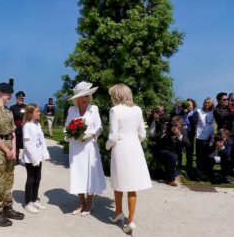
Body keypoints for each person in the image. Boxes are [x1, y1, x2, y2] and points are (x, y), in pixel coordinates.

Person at [106, 84, 152, 235]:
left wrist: (107, 145)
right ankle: (130, 220)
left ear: (117, 95)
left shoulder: (115, 110)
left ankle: (118, 212)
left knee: (118, 183)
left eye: (112, 95)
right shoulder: (137, 109)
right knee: (132, 186)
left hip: (121, 148)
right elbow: (143, 134)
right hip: (135, 149)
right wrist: (133, 139)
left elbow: (113, 136)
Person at [0, 82, 24, 227]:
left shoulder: (8, 112)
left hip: (9, 149)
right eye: (9, 93)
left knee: (8, 180)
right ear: (1, 93)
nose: (11, 96)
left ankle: (7, 208)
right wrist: (7, 150)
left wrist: (13, 150)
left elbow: (13, 133)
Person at [64, 81, 106, 216]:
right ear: (77, 98)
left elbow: (99, 127)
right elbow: (66, 127)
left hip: (89, 147)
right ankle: (81, 202)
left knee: (89, 174)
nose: (86, 99)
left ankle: (90, 202)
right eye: (83, 96)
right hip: (76, 147)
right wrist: (71, 135)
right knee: (78, 174)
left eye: (87, 96)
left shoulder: (94, 109)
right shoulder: (71, 110)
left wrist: (91, 134)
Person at [22, 103, 50, 214]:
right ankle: (28, 203)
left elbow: (42, 140)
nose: (39, 113)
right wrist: (33, 158)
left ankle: (34, 199)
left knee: (38, 179)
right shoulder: (27, 126)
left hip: (38, 157)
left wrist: (45, 152)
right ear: (30, 114)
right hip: (30, 159)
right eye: (37, 111)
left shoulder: (37, 125)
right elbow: (27, 144)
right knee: (31, 179)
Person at [153, 116, 190, 186]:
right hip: (163, 151)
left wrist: (179, 135)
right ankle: (170, 180)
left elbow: (188, 144)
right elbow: (155, 138)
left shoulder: (183, 131)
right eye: (173, 124)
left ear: (180, 125)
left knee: (175, 171)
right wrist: (163, 129)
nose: (174, 126)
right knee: (173, 156)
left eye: (176, 125)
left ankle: (167, 175)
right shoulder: (166, 129)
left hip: (175, 153)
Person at [194, 97, 215, 179]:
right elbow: (194, 120)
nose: (207, 104)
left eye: (209, 102)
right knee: (199, 155)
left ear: (212, 104)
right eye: (205, 102)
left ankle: (207, 170)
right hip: (200, 136)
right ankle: (199, 170)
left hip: (209, 137)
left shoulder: (213, 112)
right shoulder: (199, 111)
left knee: (208, 155)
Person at [9, 91, 27, 164]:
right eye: (20, 98)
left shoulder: (26, 107)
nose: (21, 99)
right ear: (17, 98)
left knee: (26, 145)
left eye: (22, 98)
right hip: (16, 129)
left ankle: (27, 160)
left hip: (25, 129)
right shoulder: (12, 108)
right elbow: (10, 119)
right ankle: (16, 159)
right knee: (16, 145)